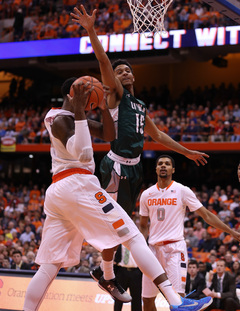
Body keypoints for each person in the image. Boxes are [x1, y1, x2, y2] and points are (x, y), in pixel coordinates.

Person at [23, 80, 213, 311]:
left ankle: (100, 280)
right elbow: (83, 153)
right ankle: (176, 301)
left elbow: (107, 134)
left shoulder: (69, 117)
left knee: (49, 265)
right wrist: (82, 110)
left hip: (61, 190)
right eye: (85, 93)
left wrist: (103, 108)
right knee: (132, 236)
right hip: (78, 184)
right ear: (71, 95)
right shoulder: (61, 120)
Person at [71, 4, 210, 288]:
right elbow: (103, 62)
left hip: (135, 170)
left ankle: (103, 271)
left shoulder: (138, 105)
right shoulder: (116, 97)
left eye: (126, 71)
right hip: (115, 166)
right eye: (119, 71)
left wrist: (186, 152)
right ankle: (105, 273)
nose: (121, 74)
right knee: (119, 225)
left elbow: (158, 136)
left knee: (123, 225)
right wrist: (92, 30)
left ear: (133, 77)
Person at [139, 155, 240, 311]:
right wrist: (142, 246)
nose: (163, 166)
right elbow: (144, 225)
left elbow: (206, 215)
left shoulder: (182, 190)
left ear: (173, 169)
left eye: (167, 164)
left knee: (178, 301)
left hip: (174, 249)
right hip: (152, 249)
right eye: (160, 164)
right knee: (147, 300)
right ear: (156, 169)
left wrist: (231, 231)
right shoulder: (147, 194)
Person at [114, 245, 142, 311]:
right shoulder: (120, 242)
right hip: (121, 272)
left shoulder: (138, 242)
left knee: (136, 299)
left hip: (136, 273)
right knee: (118, 298)